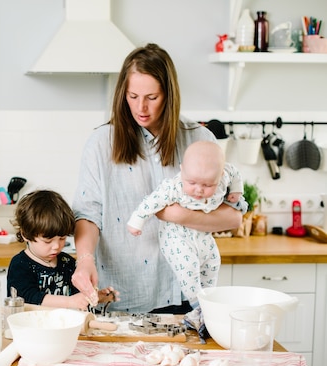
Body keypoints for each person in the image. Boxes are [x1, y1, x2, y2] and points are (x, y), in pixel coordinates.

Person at [71, 43, 243, 315]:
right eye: (133, 95)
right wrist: (84, 259)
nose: (141, 107)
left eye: (152, 97)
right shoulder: (100, 143)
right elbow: (87, 213)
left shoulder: (199, 140)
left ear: (169, 95)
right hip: (122, 293)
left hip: (183, 291)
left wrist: (173, 214)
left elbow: (233, 217)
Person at [127, 140, 247, 310]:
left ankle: (208, 297)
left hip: (202, 234)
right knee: (188, 266)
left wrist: (236, 190)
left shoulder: (223, 178)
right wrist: (137, 221)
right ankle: (196, 302)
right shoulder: (174, 187)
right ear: (182, 170)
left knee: (213, 261)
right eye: (192, 183)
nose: (199, 190)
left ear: (220, 176)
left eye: (207, 185)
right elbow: (152, 201)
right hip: (176, 236)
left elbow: (234, 172)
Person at [6, 190, 117, 311]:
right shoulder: (20, 264)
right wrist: (69, 302)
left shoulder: (67, 262)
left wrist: (92, 297)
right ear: (25, 234)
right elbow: (26, 298)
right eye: (48, 241)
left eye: (62, 238)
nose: (56, 246)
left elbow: (77, 297)